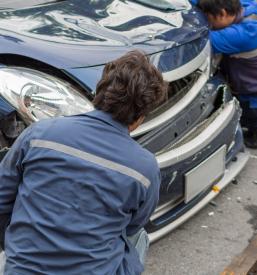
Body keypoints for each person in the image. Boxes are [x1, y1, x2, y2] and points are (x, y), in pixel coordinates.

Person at [0, 50, 167, 275]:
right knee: (139, 237)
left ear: (98, 93)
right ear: (139, 118)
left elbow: (3, 197)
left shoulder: (40, 133)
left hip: (22, 269)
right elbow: (134, 225)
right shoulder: (145, 168)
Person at [191, 0, 257, 148]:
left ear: (222, 13)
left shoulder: (244, 35)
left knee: (249, 116)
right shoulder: (244, 5)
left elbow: (198, 41)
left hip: (252, 95)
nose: (209, 23)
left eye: (209, 19)